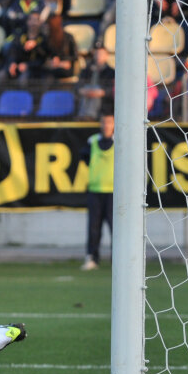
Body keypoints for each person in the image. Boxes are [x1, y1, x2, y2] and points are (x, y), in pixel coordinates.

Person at [82, 111, 114, 272]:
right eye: (104, 122)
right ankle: (92, 258)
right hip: (95, 190)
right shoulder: (92, 141)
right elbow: (85, 159)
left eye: (109, 122)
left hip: (114, 193)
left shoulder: (120, 141)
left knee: (116, 228)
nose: (106, 126)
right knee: (93, 228)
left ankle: (117, 260)